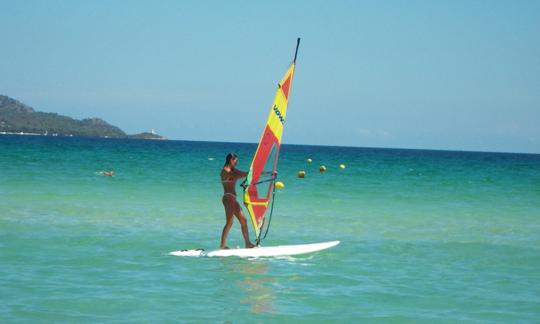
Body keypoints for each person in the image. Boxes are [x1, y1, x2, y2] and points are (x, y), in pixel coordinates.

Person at [220, 153, 255, 249]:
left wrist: (259, 172)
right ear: (231, 159)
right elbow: (238, 175)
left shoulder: (233, 170)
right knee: (229, 222)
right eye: (236, 160)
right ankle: (222, 245)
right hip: (228, 198)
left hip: (233, 199)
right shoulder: (225, 171)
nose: (237, 162)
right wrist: (250, 173)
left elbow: (244, 174)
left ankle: (247, 243)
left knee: (243, 220)